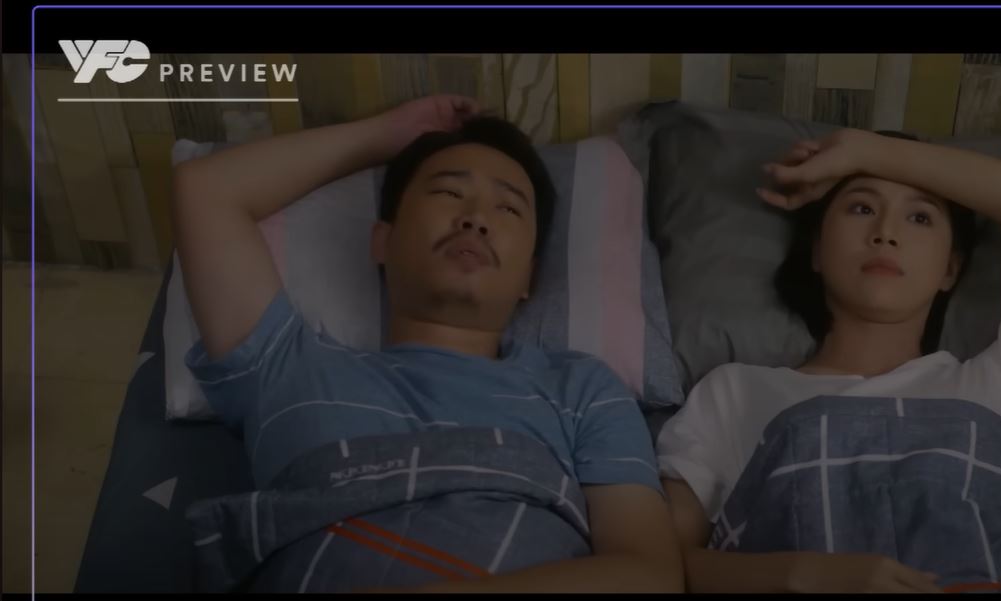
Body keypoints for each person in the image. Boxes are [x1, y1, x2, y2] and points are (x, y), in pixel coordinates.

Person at [172, 95, 682, 593]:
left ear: (529, 276)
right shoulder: (285, 367)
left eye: (508, 207)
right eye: (448, 193)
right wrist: (382, 135)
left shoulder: (582, 389)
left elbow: (648, 575)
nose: (476, 218)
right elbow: (205, 190)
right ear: (382, 240)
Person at [655, 128, 1001, 593]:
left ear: (950, 269)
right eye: (861, 208)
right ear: (817, 250)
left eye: (920, 217)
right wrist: (799, 575)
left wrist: (862, 151)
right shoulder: (735, 392)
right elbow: (659, 564)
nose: (886, 234)